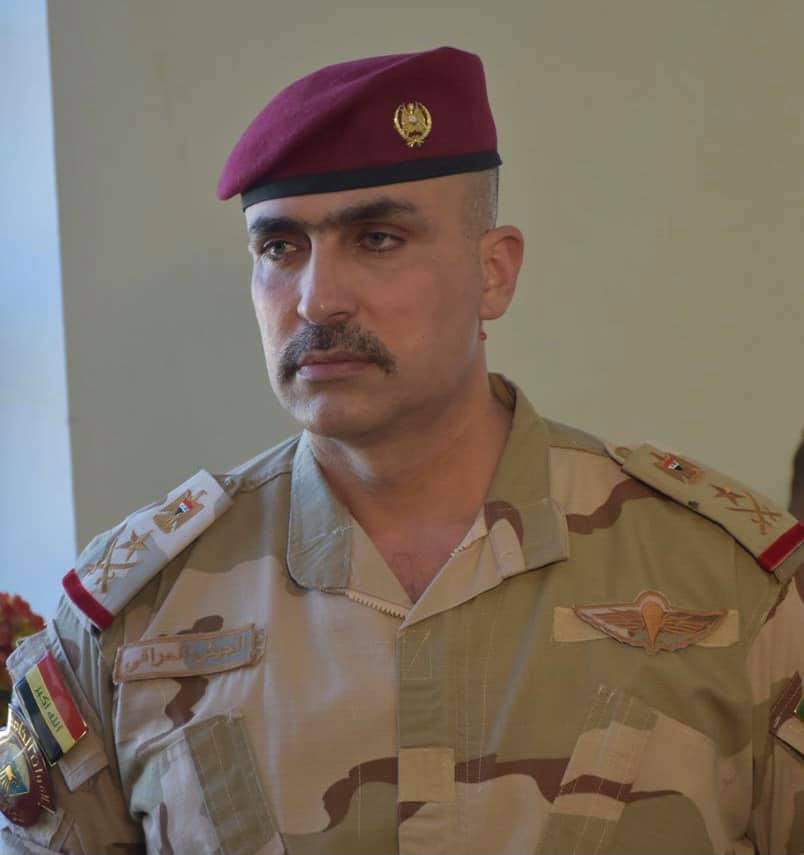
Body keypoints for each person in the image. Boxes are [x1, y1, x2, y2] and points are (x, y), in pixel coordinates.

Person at [1, 46, 802, 855]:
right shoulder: (132, 619)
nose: (317, 299)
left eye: (377, 239)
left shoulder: (730, 584)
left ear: (494, 273)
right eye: (279, 248)